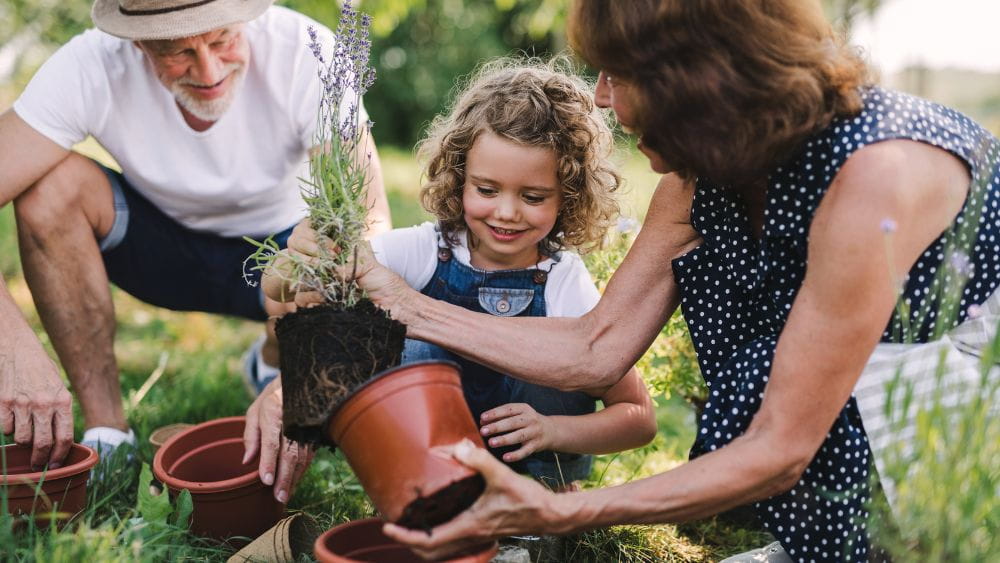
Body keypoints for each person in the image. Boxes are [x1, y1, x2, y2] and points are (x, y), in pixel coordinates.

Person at [277, 1, 1000, 560]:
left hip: (965, 389)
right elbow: (597, 346)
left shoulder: (875, 178)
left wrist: (559, 509)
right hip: (868, 374)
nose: (597, 97)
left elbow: (782, 446)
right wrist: (397, 308)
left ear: (698, 82)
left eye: (618, 75)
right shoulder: (703, 174)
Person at [0, 0, 390, 506]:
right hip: (159, 252)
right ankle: (109, 435)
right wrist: (11, 347)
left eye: (224, 38)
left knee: (328, 252)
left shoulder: (305, 52)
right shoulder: (90, 64)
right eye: (177, 50)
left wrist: (302, 373)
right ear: (137, 42)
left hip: (278, 257)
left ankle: (273, 359)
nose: (208, 71)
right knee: (48, 191)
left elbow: (371, 224)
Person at [267, 61, 658, 490]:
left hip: (530, 469)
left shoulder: (563, 279)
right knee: (409, 345)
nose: (506, 212)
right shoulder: (424, 251)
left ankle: (548, 500)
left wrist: (553, 430)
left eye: (532, 196)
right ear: (459, 180)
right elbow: (282, 285)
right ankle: (423, 490)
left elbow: (638, 418)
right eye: (486, 190)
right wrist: (299, 257)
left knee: (562, 356)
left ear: (568, 195)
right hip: (434, 464)